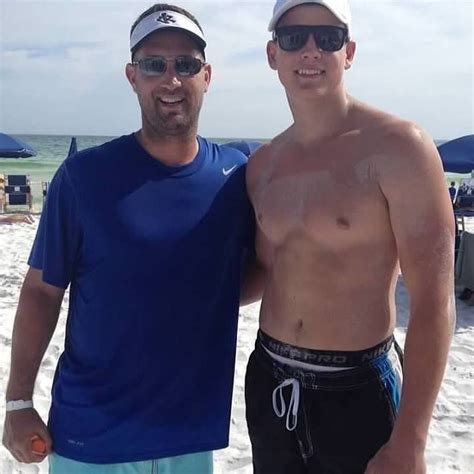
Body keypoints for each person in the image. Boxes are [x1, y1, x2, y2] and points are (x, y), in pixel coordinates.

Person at [2, 4, 257, 473]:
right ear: (132, 76)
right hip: (91, 438)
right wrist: (17, 402)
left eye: (185, 64)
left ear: (207, 75)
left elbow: (262, 269)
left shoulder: (236, 177)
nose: (171, 79)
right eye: (154, 64)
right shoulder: (83, 177)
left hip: (190, 436)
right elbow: (41, 290)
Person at [244, 1, 455, 473]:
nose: (311, 50)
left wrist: (411, 441)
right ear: (273, 54)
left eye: (328, 37)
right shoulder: (263, 165)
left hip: (357, 388)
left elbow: (434, 302)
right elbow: (264, 272)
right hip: (269, 378)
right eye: (294, 38)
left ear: (350, 50)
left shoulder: (401, 148)